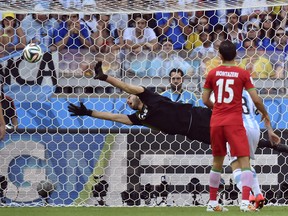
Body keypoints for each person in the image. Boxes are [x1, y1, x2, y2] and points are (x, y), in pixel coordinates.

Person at [67, 61, 281, 152]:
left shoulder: (148, 95)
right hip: (194, 133)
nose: (127, 99)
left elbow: (125, 85)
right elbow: (115, 118)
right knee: (233, 145)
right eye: (127, 101)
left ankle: (272, 141)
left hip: (198, 116)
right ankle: (268, 145)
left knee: (238, 130)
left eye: (128, 97)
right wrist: (89, 113)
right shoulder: (141, 119)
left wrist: (104, 77)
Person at [201, 40, 277, 212]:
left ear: (219, 55)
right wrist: (265, 114)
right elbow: (256, 99)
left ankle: (212, 203)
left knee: (217, 162)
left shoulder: (212, 73)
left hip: (217, 121)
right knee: (244, 162)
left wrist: (218, 108)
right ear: (236, 55)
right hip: (235, 122)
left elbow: (205, 100)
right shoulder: (242, 74)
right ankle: (245, 202)